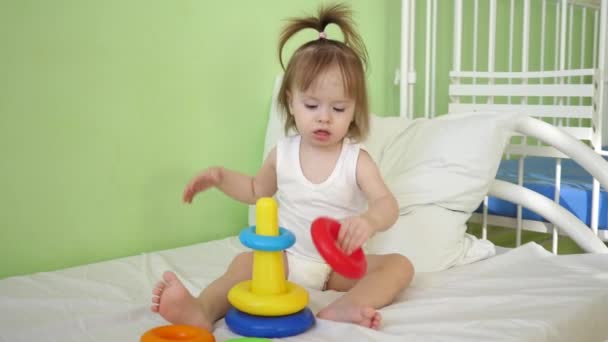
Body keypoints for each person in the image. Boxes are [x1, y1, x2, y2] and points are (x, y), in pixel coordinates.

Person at [151, 3, 414, 331]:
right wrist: (220, 177)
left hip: (335, 269)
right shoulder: (283, 154)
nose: (324, 117)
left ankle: (349, 306)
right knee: (241, 265)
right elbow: (255, 190)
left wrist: (369, 220)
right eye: (311, 105)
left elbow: (387, 204)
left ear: (354, 110)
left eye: (338, 107)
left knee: (400, 267)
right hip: (283, 260)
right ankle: (200, 310)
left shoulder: (356, 160)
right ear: (291, 101)